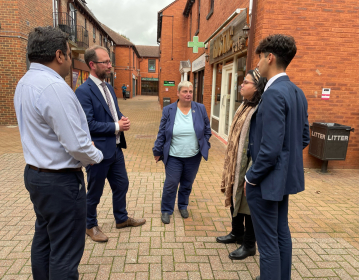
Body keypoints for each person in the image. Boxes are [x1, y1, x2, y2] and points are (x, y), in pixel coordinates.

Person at [14, 27, 104, 280]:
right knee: (65, 252)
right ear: (59, 55)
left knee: (44, 238)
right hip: (60, 182)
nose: (70, 58)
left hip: (36, 176)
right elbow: (76, 144)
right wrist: (96, 157)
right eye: (68, 52)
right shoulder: (54, 87)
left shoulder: (25, 82)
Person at [244, 34, 310, 280]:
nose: (258, 63)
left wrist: (251, 177)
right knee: (281, 233)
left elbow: (269, 149)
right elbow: (303, 138)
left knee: (268, 244)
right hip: (282, 181)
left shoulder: (272, 94)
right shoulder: (297, 92)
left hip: (265, 182)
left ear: (269, 57)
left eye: (260, 58)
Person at [75, 45, 146, 243]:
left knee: (122, 184)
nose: (110, 65)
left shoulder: (108, 87)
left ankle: (121, 219)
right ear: (92, 64)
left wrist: (122, 118)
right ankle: (90, 226)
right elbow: (88, 124)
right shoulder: (83, 91)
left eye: (109, 61)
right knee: (95, 193)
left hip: (115, 149)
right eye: (105, 62)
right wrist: (116, 125)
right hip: (97, 152)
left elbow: (113, 112)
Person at [216, 69, 267, 261]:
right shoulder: (244, 105)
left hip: (249, 166)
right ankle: (236, 233)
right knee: (235, 198)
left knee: (247, 206)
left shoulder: (259, 109)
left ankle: (249, 244)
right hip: (236, 164)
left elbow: (260, 143)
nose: (241, 85)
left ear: (257, 87)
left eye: (246, 82)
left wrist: (252, 171)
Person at [153, 81, 211, 224]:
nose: (188, 94)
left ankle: (183, 205)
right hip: (174, 155)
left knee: (187, 183)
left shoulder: (200, 108)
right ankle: (166, 210)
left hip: (193, 155)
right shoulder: (169, 110)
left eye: (190, 91)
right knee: (171, 183)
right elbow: (161, 132)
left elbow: (207, 130)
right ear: (178, 93)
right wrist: (157, 150)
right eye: (185, 91)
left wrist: (205, 144)